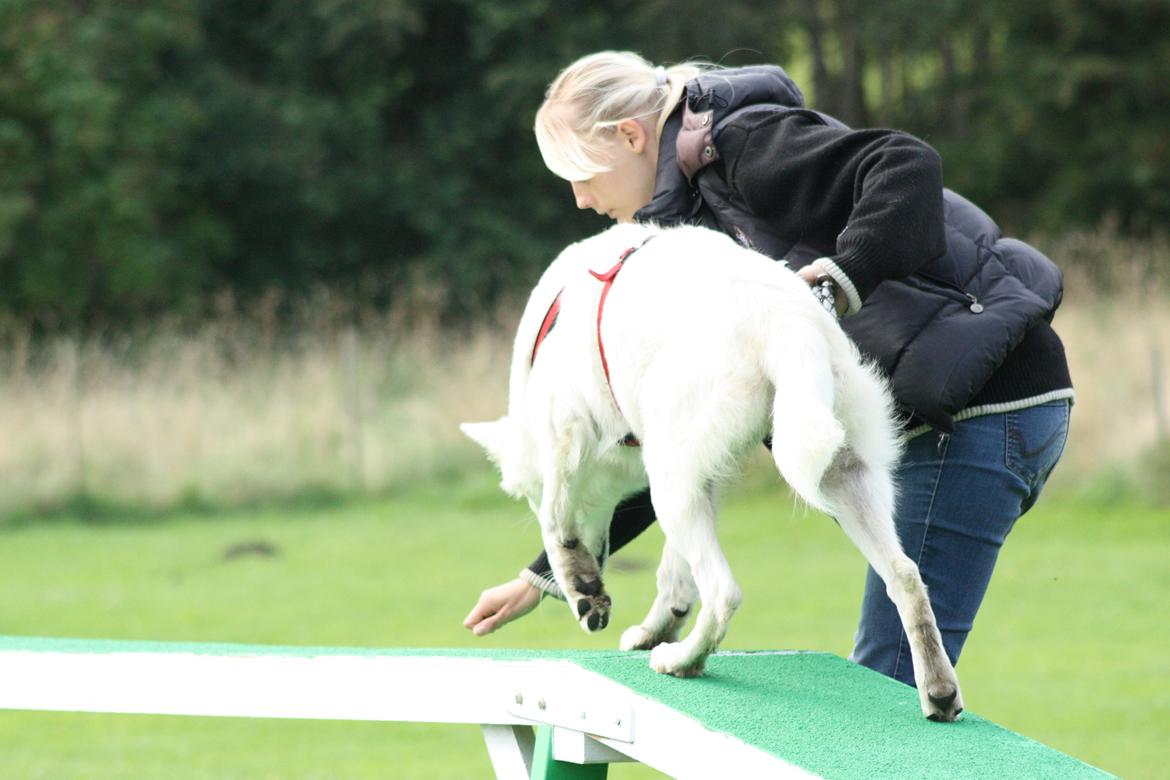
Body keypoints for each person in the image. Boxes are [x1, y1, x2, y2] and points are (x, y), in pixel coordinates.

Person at [463, 51, 1073, 688]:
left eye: (580, 172)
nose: (580, 199)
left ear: (632, 136)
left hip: (985, 404)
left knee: (883, 699)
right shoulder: (684, 220)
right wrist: (550, 570)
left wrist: (841, 280)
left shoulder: (741, 143)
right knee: (885, 694)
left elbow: (906, 167)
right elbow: (675, 453)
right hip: (952, 412)